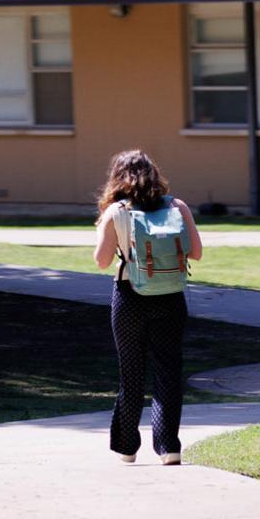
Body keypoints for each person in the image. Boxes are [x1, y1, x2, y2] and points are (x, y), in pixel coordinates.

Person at [91, 149, 202, 464]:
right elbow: (196, 253)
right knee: (168, 370)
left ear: (118, 178)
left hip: (129, 296)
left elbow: (101, 262)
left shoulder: (117, 212)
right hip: (170, 295)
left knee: (131, 372)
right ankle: (169, 447)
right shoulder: (177, 207)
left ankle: (127, 447)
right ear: (154, 174)